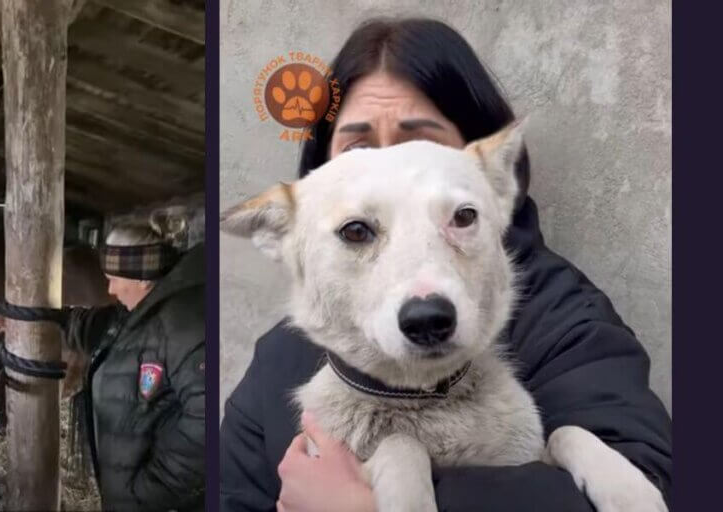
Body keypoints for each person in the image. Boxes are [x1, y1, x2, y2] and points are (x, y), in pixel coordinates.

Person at [219, 17, 672, 512]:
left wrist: (366, 504)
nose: (395, 169)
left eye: (424, 143)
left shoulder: (565, 318)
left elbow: (654, 478)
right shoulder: (275, 359)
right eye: (360, 148)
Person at [0, 224, 206, 511]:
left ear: (142, 279)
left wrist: (154, 485)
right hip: (129, 490)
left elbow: (205, 420)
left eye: (114, 280)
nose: (110, 290)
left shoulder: (184, 324)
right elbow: (84, 323)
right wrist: (21, 321)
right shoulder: (137, 312)